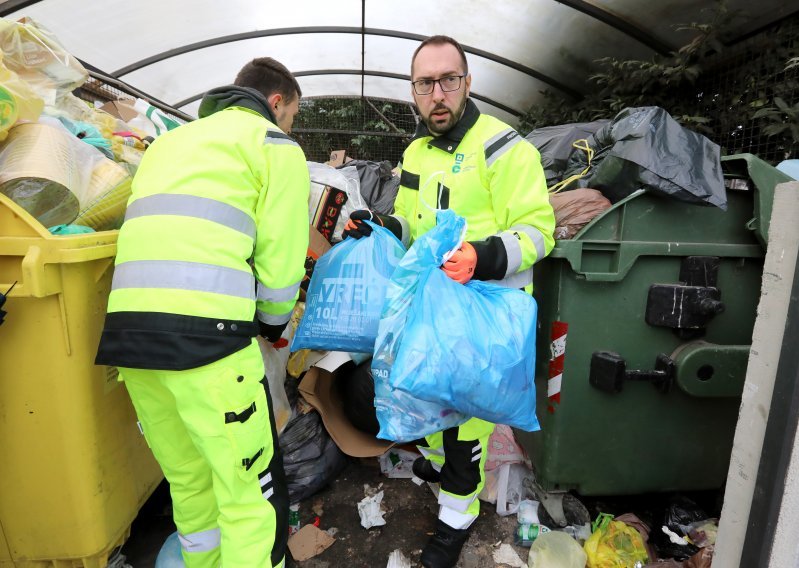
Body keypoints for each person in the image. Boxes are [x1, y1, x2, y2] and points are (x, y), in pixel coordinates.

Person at [343, 35, 555, 568]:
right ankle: (440, 472)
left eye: (447, 80)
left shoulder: (505, 148)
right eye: (425, 84)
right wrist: (382, 224)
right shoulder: (415, 152)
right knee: (427, 407)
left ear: (467, 83)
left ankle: (454, 526)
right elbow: (414, 223)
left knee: (466, 434)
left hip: (482, 322)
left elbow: (538, 232)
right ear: (413, 91)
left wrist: (481, 257)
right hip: (433, 313)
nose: (437, 94)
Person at [95, 57, 309, 568]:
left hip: (130, 340)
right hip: (207, 346)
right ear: (275, 102)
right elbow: (280, 270)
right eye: (292, 115)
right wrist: (273, 326)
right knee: (249, 496)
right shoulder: (274, 146)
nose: (289, 126)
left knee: (190, 482)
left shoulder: (168, 143)